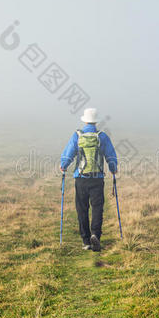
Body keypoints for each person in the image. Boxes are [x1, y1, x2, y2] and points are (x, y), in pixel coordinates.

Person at [60, 108, 118, 251]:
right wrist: (113, 168)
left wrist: (63, 165)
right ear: (96, 121)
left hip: (81, 178)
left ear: (85, 120)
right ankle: (95, 235)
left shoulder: (77, 135)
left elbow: (69, 152)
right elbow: (110, 155)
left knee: (82, 209)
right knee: (97, 208)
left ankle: (86, 241)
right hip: (97, 178)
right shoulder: (102, 136)